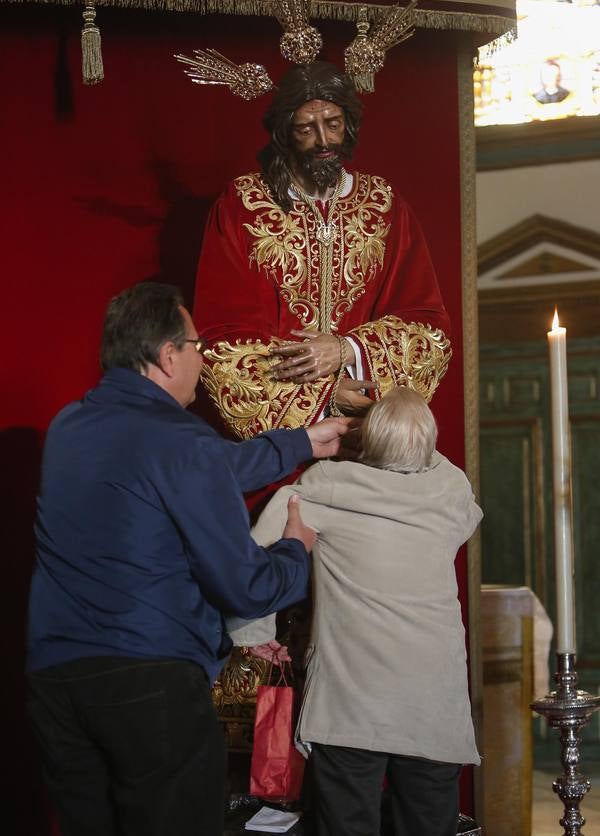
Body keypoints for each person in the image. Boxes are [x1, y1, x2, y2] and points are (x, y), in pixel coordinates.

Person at [25, 281, 349, 836]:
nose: (206, 359)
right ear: (167, 354)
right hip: (148, 685)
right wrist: (297, 551)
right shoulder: (182, 443)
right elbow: (244, 586)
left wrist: (299, 442)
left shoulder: (68, 429)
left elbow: (190, 468)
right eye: (198, 345)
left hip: (56, 687)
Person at [242, 386, 482, 836]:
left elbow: (259, 545)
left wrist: (256, 633)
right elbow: (455, 491)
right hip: (433, 704)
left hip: (351, 704)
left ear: (368, 440)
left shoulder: (327, 487)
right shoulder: (451, 493)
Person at [194, 61, 451, 440]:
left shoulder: (383, 205)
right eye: (306, 129)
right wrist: (324, 394)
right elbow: (222, 339)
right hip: (283, 440)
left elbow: (429, 327)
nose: (323, 141)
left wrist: (349, 351)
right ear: (285, 131)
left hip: (371, 424)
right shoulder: (242, 205)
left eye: (333, 124)